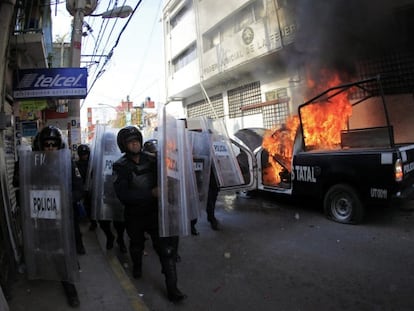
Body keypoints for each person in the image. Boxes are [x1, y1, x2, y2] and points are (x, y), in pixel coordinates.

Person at [113, 126, 186, 302]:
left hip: (156, 213)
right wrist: (150, 193)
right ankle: (137, 266)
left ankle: (173, 288)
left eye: (137, 140)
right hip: (135, 214)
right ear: (124, 145)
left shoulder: (154, 160)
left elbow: (171, 175)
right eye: (130, 142)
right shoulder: (120, 166)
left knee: (166, 250)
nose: (135, 144)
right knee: (137, 245)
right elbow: (123, 195)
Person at [15, 126, 83, 307]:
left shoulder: (68, 163)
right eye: (47, 145)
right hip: (41, 216)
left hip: (63, 217)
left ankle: (70, 289)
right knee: (39, 248)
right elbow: (20, 185)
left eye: (54, 144)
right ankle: (38, 271)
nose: (50, 148)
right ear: (40, 146)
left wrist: (68, 199)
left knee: (63, 253)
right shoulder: (33, 163)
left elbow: (78, 188)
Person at [76, 144, 97, 232]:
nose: (85, 156)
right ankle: (92, 222)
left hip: (92, 187)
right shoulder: (77, 164)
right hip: (83, 188)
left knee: (93, 206)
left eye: (86, 154)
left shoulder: (92, 163)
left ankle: (94, 222)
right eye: (82, 154)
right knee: (87, 206)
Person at [206, 166, 219, 230]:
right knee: (209, 200)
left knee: (213, 198)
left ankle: (211, 217)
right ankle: (212, 219)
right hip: (205, 176)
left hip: (215, 177)